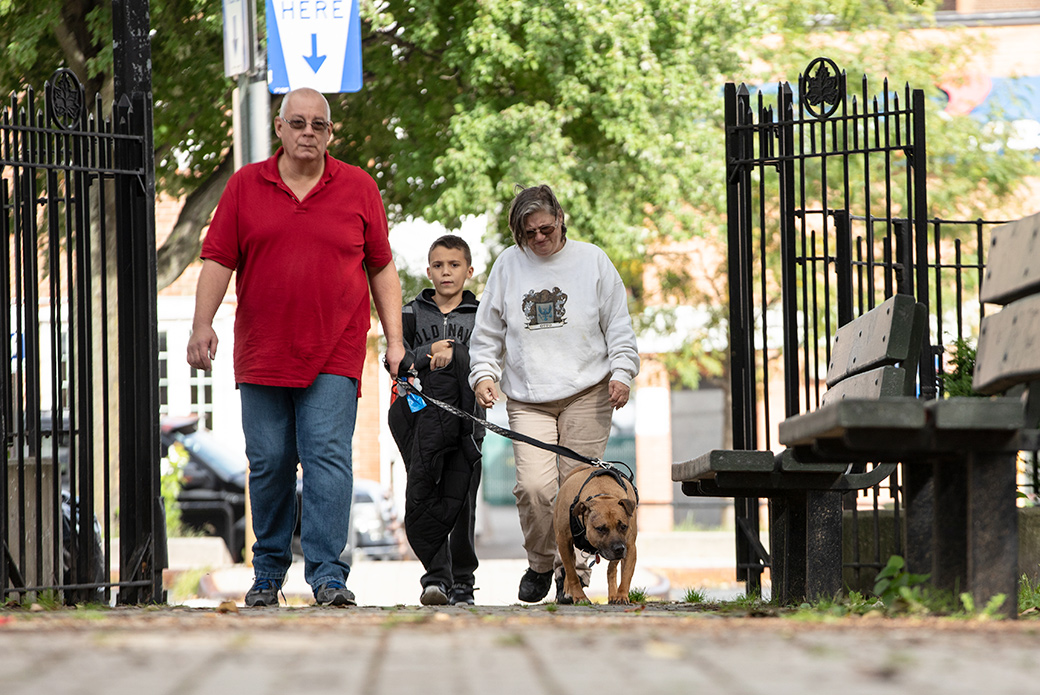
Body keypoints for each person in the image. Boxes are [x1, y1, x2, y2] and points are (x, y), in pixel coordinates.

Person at [186, 87, 404, 608]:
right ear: (280, 128)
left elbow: (381, 265)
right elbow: (218, 259)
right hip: (263, 351)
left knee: (328, 458)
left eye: (319, 125)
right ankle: (268, 574)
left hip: (335, 349)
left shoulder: (358, 187)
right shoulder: (244, 186)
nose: (309, 132)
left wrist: (395, 340)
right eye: (299, 123)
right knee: (269, 462)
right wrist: (201, 324)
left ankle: (329, 575)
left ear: (330, 134)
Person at [468, 184, 640, 603]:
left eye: (546, 228)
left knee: (578, 491)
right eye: (530, 234)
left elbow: (618, 325)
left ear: (560, 219)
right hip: (528, 397)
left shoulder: (592, 261)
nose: (540, 238)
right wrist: (483, 374)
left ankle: (573, 576)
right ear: (518, 234)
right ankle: (542, 563)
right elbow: (487, 332)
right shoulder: (508, 266)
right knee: (533, 488)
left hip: (588, 392)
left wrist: (623, 372)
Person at [388, 235, 484, 606]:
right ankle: (435, 578)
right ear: (428, 271)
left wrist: (456, 352)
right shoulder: (412, 312)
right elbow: (395, 361)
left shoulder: (481, 315)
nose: (446, 272)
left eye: (454, 265)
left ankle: (463, 580)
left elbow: (488, 360)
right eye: (439, 265)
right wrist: (429, 352)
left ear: (469, 271)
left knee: (462, 500)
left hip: (467, 422)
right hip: (420, 424)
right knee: (425, 494)